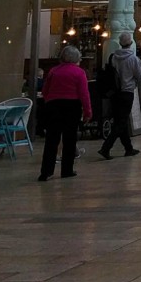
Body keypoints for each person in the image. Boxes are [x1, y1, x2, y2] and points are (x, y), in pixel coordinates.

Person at [38, 46, 91, 181]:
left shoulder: (53, 71)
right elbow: (84, 94)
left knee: (51, 140)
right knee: (69, 139)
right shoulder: (79, 72)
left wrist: (49, 101)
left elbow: (45, 91)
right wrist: (87, 111)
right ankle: (67, 170)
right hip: (72, 106)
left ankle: (46, 172)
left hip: (53, 106)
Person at [98, 32, 141, 161]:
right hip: (127, 92)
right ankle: (106, 147)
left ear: (120, 43)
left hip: (114, 92)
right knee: (121, 122)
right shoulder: (134, 59)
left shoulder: (113, 57)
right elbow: (140, 77)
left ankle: (128, 148)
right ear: (131, 43)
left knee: (121, 120)